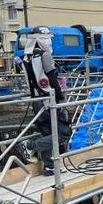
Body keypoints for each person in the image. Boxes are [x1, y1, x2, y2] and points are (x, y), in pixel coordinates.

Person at [21, 27, 71, 176]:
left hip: (36, 99)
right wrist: (60, 98)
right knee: (63, 133)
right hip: (49, 99)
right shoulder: (44, 55)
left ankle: (49, 166)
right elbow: (52, 77)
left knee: (47, 132)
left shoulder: (27, 56)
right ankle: (31, 146)